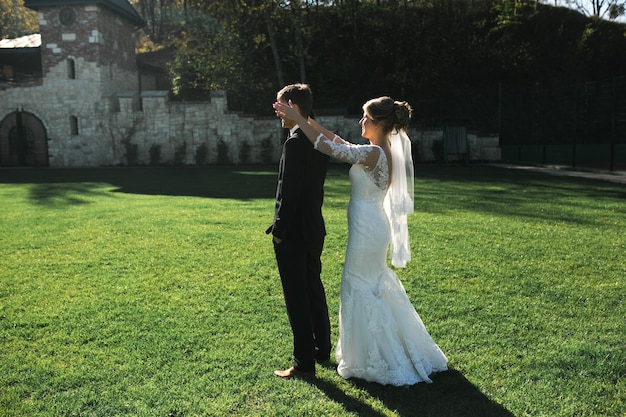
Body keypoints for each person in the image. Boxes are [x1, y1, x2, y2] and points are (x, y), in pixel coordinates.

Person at [273, 96, 448, 386]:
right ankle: (376, 349)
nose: (361, 121)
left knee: (358, 286)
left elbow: (329, 148)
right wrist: (306, 119)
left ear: (378, 123)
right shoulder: (378, 150)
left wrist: (300, 119)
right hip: (370, 227)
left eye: (365, 117)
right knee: (370, 285)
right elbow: (338, 140)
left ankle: (375, 357)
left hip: (368, 231)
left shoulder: (375, 153)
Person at [267, 84, 332, 379]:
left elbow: (288, 195)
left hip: (293, 233)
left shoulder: (295, 143)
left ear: (292, 106)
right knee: (313, 290)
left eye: (280, 106)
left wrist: (278, 231)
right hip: (313, 229)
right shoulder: (318, 140)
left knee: (297, 298)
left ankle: (304, 363)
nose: (277, 111)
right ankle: (322, 349)